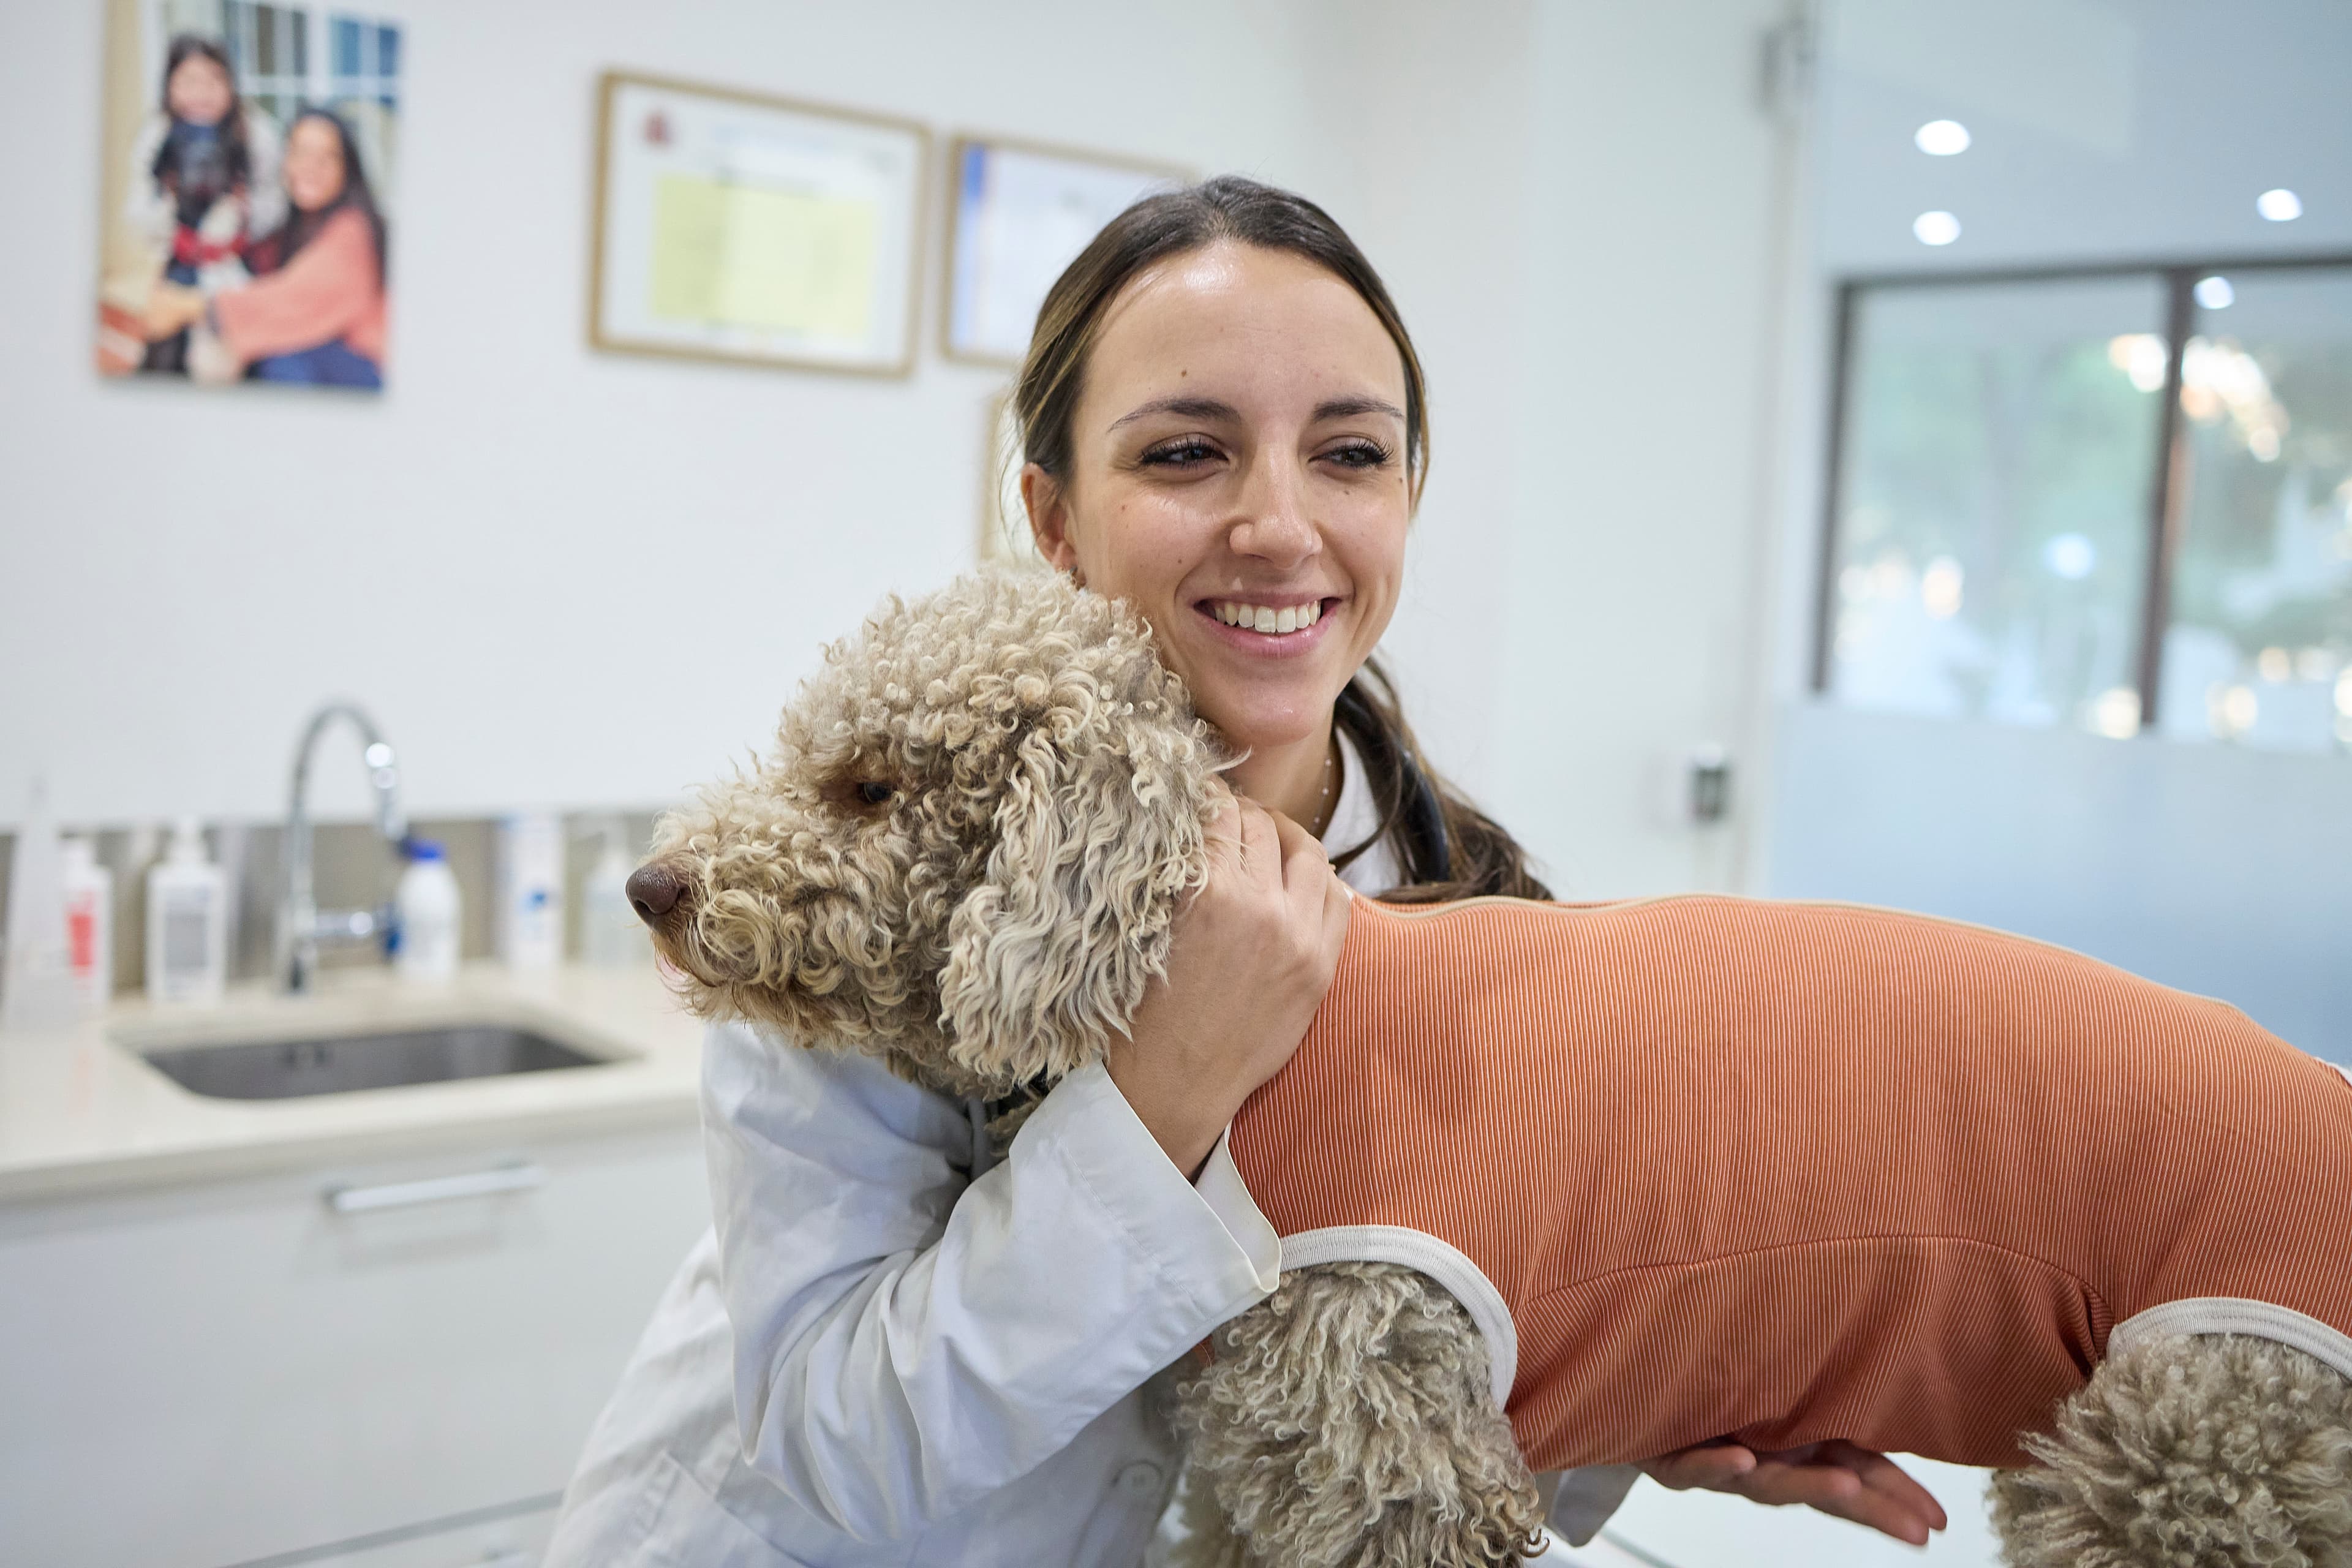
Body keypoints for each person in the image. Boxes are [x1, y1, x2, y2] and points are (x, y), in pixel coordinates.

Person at [545, 176, 1949, 1565]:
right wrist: (1158, 1101)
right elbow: (835, 1448)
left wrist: (1665, 1388)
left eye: (1349, 454)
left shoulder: (1468, 905)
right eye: (1183, 454)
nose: (1280, 524)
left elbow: (1431, 1384)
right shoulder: (876, 865)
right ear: (1052, 515)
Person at [142, 107, 389, 389]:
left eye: (327, 157)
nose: (311, 167)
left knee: (279, 358)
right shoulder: (294, 228)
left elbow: (294, 297)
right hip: (328, 360)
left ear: (347, 169)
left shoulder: (353, 229)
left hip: (368, 369)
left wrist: (192, 305)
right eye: (301, 153)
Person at [122, 33, 284, 374]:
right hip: (180, 257)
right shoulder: (158, 135)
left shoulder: (255, 133)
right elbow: (138, 210)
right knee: (162, 351)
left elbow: (275, 204)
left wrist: (243, 210)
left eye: (214, 80)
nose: (202, 93)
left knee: (247, 355)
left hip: (238, 258)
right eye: (189, 81)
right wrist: (166, 204)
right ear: (170, 87)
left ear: (231, 86)